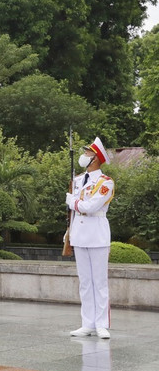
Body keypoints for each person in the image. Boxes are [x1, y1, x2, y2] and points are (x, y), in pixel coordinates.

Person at [67, 137, 115, 339]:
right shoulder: (77, 180)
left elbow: (91, 207)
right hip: (79, 233)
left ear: (96, 158)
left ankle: (102, 324)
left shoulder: (106, 183)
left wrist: (72, 202)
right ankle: (87, 323)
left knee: (99, 282)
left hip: (97, 233)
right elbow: (77, 211)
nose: (83, 155)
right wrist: (69, 230)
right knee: (85, 282)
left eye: (87, 153)